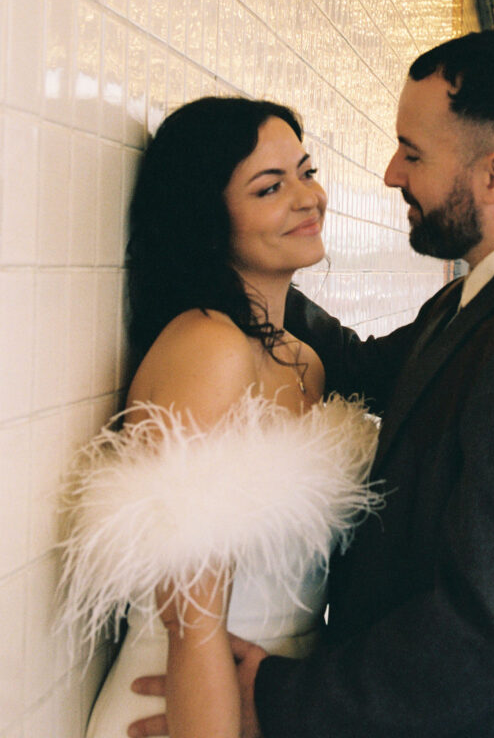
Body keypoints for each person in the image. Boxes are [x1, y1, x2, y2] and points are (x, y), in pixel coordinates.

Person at [130, 31, 494, 738]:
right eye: (270, 183)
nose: (388, 173)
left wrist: (282, 700)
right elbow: (359, 367)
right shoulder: (484, 298)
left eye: (413, 153)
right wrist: (239, 275)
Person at [58, 96, 381, 738]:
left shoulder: (304, 360)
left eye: (306, 171)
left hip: (277, 703)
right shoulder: (207, 345)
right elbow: (192, 624)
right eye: (270, 186)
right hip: (184, 707)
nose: (307, 197)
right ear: (208, 218)